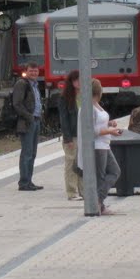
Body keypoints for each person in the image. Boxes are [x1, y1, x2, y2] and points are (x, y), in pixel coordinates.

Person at [88, 79, 122, 215]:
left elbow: (100, 125)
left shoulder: (97, 105)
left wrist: (109, 124)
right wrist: (110, 131)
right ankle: (98, 202)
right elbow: (93, 130)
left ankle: (98, 200)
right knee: (101, 175)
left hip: (105, 144)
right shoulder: (89, 108)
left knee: (115, 171)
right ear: (98, 91)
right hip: (98, 146)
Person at [12, 61, 43, 191]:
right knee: (27, 153)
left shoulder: (35, 85)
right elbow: (17, 104)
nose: (34, 73)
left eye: (35, 71)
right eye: (31, 71)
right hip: (27, 122)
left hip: (36, 121)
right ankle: (24, 182)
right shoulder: (22, 84)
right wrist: (29, 117)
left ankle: (29, 181)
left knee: (33, 153)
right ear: (26, 71)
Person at [56, 69, 83, 200]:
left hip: (84, 134)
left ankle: (83, 190)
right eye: (76, 80)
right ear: (71, 82)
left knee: (83, 163)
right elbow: (64, 119)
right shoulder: (64, 98)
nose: (79, 82)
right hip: (72, 135)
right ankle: (72, 192)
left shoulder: (86, 95)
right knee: (71, 163)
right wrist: (67, 138)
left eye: (81, 79)